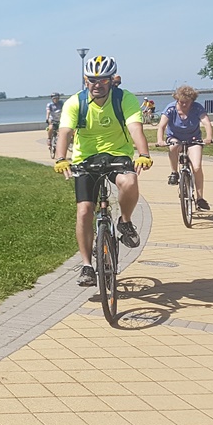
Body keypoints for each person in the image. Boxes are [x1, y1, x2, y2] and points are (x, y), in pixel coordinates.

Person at [53, 55, 152, 287]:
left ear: (112, 80)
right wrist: (61, 158)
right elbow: (65, 132)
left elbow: (135, 128)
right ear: (85, 80)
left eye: (103, 80)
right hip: (86, 159)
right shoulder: (75, 102)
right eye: (92, 80)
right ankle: (87, 265)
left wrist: (144, 154)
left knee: (130, 182)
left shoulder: (123, 99)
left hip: (118, 155)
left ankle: (125, 221)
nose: (97, 85)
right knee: (84, 211)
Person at [156, 85, 213, 210]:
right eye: (181, 102)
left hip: (193, 139)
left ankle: (200, 198)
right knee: (174, 146)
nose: (183, 104)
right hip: (175, 137)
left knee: (197, 167)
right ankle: (174, 172)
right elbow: (161, 126)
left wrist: (208, 137)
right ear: (177, 100)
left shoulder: (197, 108)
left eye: (187, 102)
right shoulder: (171, 109)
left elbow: (206, 123)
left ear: (192, 101)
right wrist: (160, 140)